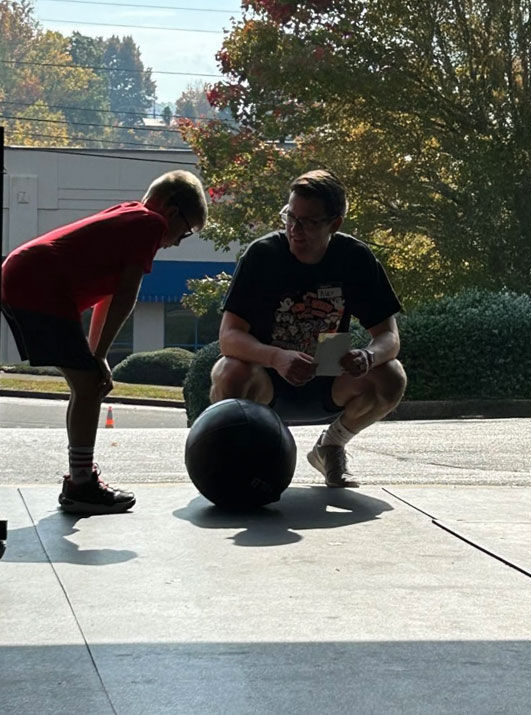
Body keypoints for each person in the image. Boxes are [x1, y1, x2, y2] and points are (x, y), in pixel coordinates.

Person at [1, 169, 208, 514]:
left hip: (27, 274)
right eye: (184, 233)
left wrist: (99, 355)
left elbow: (106, 298)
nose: (175, 242)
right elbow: (126, 295)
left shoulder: (128, 214)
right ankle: (81, 485)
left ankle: (79, 481)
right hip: (38, 283)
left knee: (89, 383)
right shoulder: (150, 224)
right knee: (88, 385)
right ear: (171, 211)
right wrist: (96, 357)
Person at [210, 169, 406, 488]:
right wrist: (276, 358)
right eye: (290, 216)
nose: (295, 230)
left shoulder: (355, 258)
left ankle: (331, 446)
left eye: (309, 222)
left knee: (391, 375)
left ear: (335, 223)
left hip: (328, 378)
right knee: (229, 371)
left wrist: (368, 356)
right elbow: (228, 337)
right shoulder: (262, 256)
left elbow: (388, 337)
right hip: (265, 382)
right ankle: (238, 459)